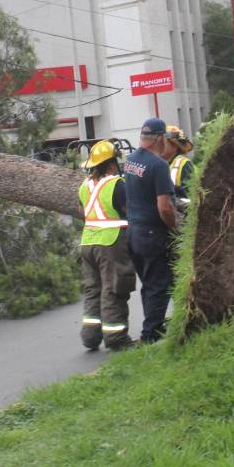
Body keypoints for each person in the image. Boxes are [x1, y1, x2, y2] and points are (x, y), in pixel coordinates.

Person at [122, 118, 178, 343]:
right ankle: (150, 336)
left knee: (148, 284)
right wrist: (174, 228)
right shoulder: (159, 166)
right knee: (159, 284)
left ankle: (150, 329)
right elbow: (164, 207)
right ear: (161, 138)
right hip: (152, 234)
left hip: (133, 232)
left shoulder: (130, 160)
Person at [76, 141, 135, 351]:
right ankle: (116, 338)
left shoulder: (85, 185)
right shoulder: (117, 184)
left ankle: (90, 337)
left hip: (87, 242)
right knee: (113, 288)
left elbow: (84, 214)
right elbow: (130, 211)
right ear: (111, 164)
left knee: (93, 289)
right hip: (110, 242)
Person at [159, 125, 196, 201]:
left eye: (162, 143)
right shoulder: (158, 163)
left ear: (174, 146)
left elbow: (190, 198)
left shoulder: (184, 164)